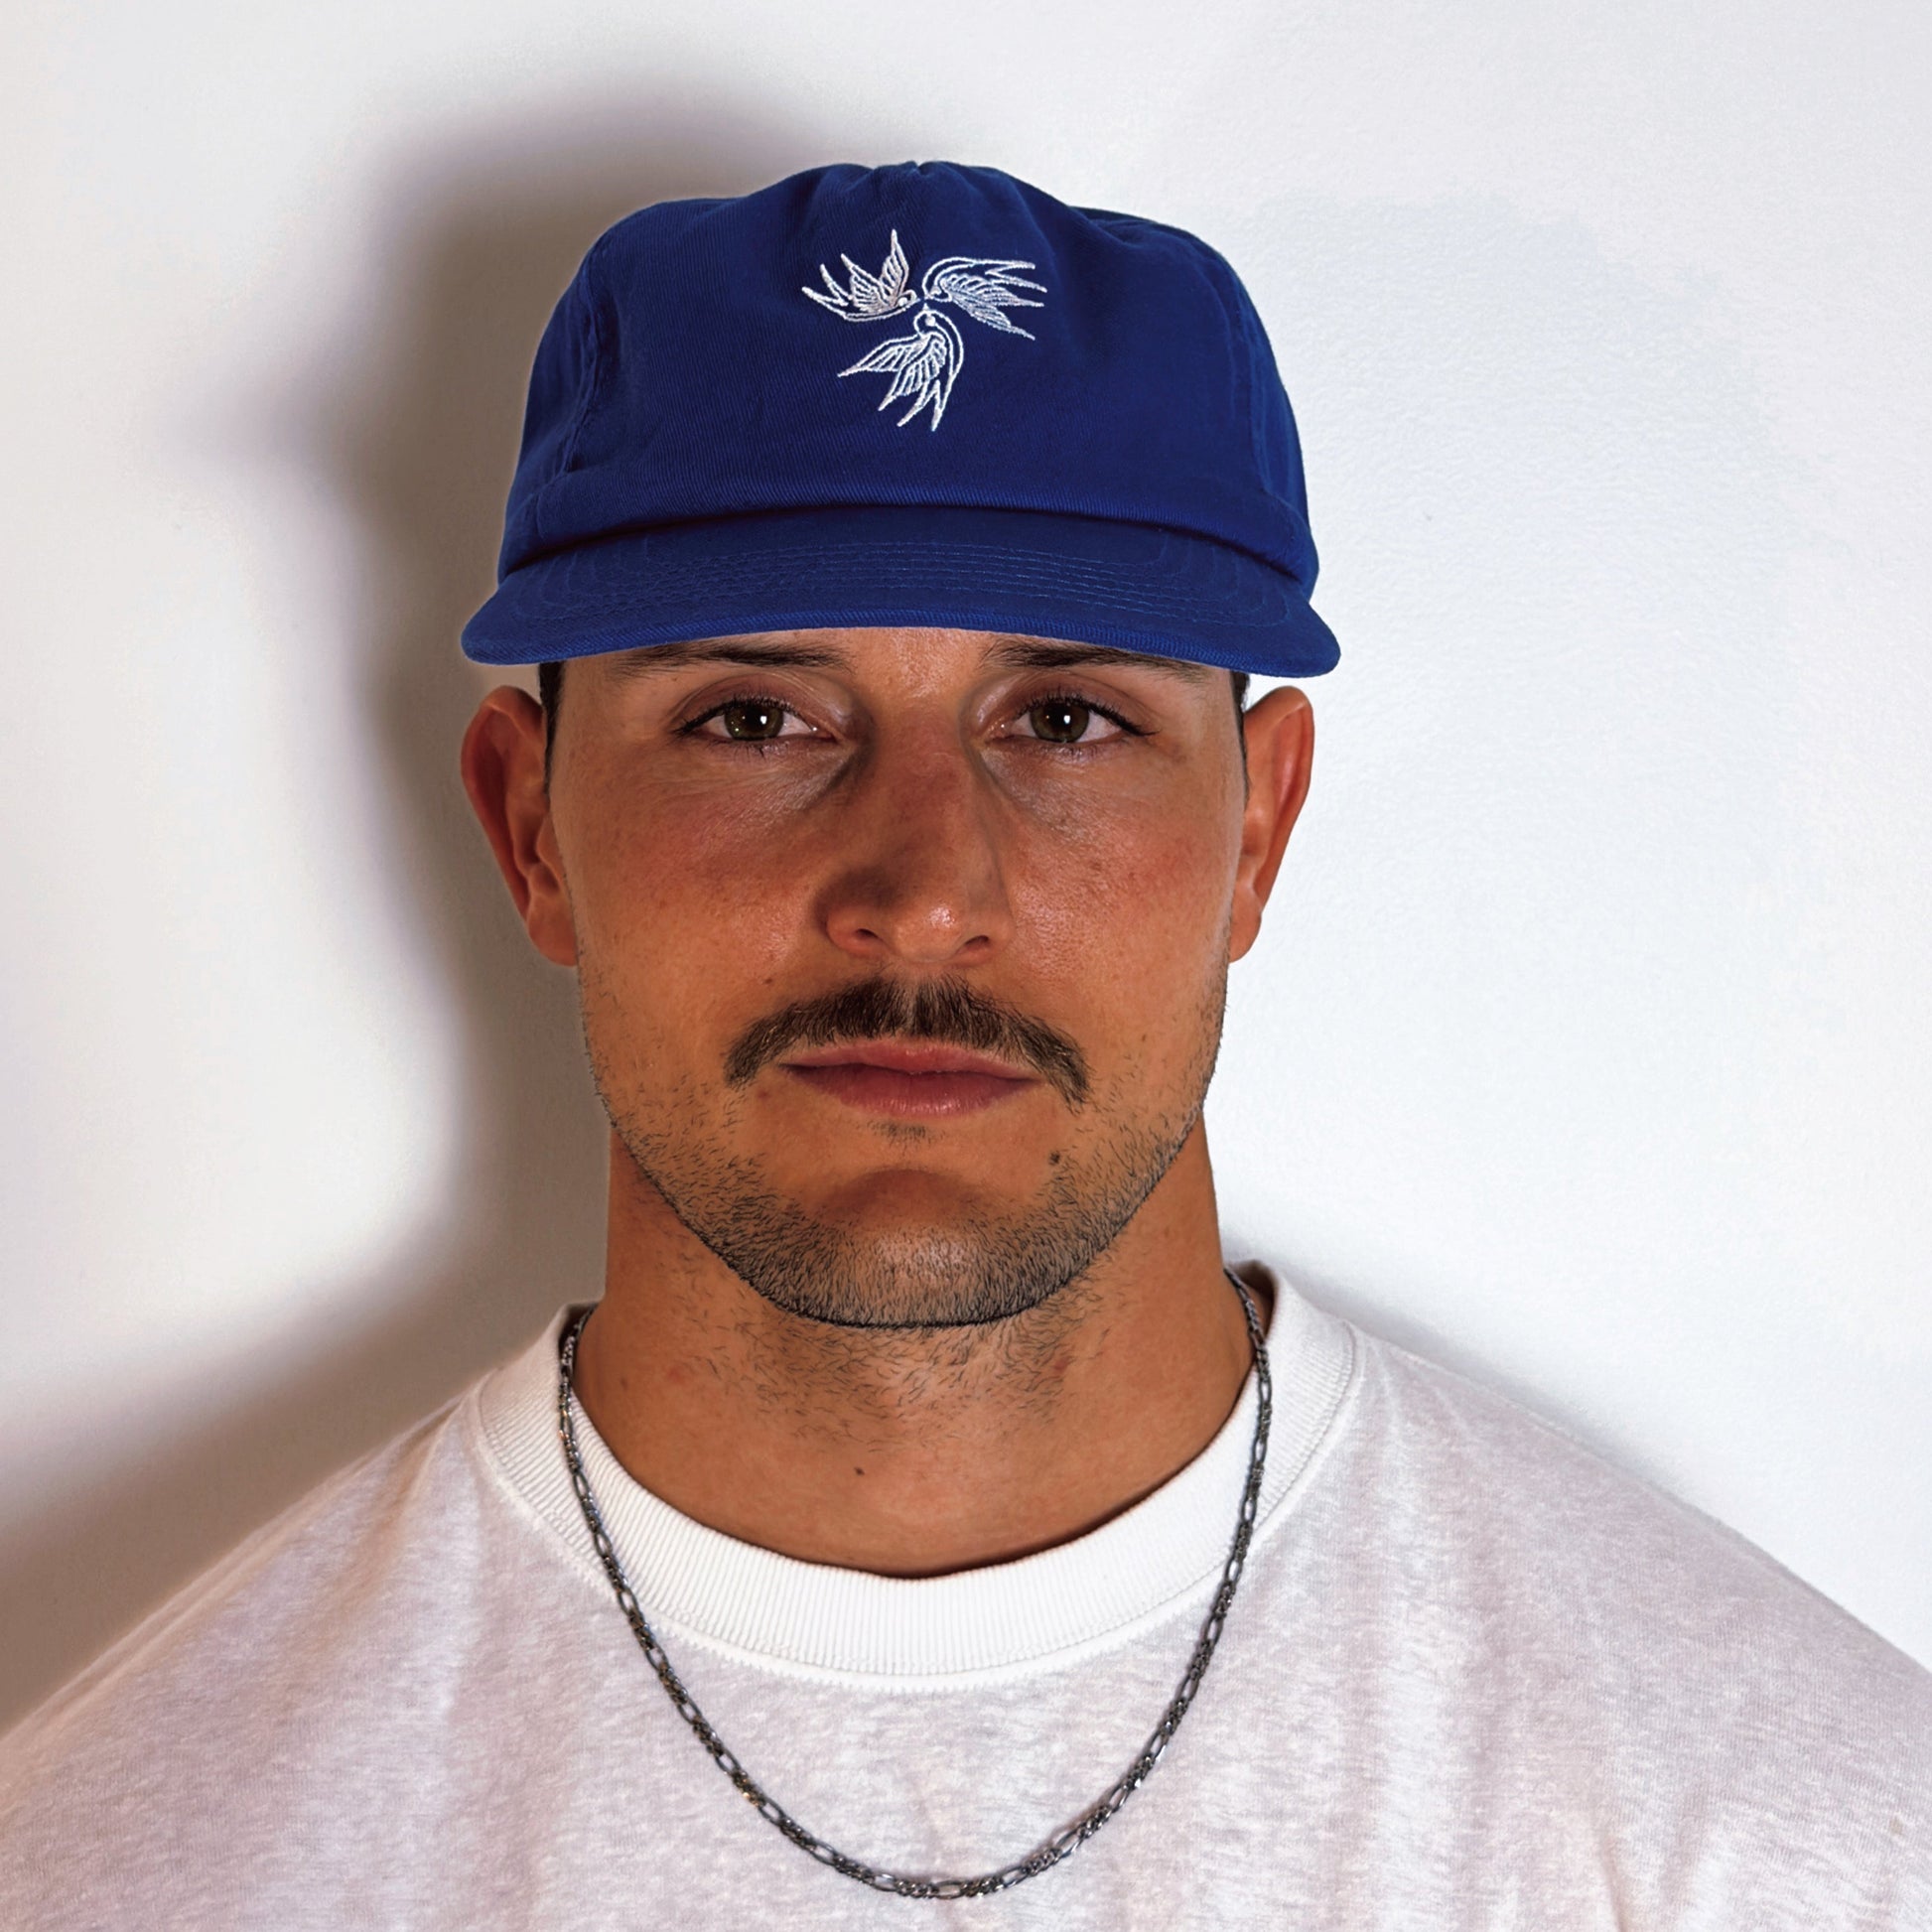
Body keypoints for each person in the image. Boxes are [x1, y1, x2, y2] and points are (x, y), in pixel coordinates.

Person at [1, 160, 1926, 1928]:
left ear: (1256, 831)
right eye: (755, 719)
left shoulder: (1792, 1839)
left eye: (1065, 720)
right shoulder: (132, 1864)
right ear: (531, 829)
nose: (921, 894)